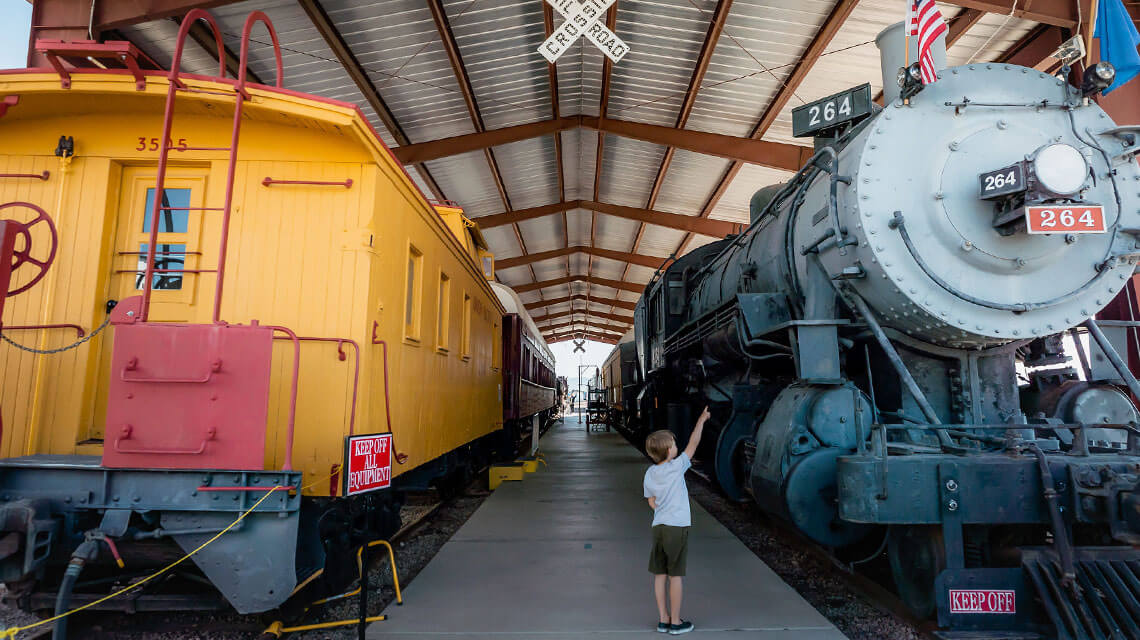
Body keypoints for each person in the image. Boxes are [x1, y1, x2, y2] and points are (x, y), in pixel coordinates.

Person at [642, 406, 709, 635]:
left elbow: (651, 502)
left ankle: (663, 619)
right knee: (676, 576)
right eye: (674, 444)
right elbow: (693, 443)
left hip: (659, 527)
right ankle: (676, 622)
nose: (677, 447)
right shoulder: (676, 466)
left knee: (660, 575)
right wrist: (701, 420)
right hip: (676, 528)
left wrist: (659, 506)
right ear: (669, 451)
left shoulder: (650, 473)